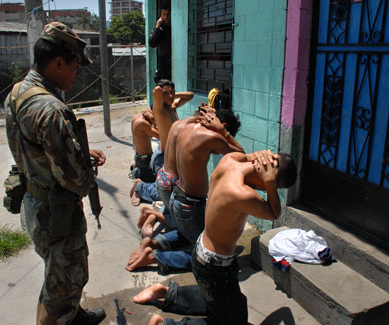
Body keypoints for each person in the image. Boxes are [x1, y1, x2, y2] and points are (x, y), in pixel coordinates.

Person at [5, 22, 106, 324]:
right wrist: (85, 170)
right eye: (75, 66)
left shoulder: (19, 92)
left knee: (60, 275)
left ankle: (73, 317)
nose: (78, 73)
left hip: (36, 204)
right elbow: (74, 179)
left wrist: (77, 149)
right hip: (57, 214)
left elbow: (32, 145)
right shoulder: (51, 109)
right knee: (61, 287)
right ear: (58, 62)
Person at [134, 150, 297, 325]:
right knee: (230, 319)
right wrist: (271, 182)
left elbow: (243, 154)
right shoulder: (243, 194)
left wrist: (257, 156)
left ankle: (168, 294)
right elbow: (274, 213)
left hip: (211, 256)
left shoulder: (231, 160)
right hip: (212, 265)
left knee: (224, 301)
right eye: (272, 186)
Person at [126, 109, 244, 273]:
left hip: (178, 196)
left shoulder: (186, 127)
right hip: (189, 203)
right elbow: (242, 156)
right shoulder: (212, 137)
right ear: (221, 125)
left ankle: (155, 243)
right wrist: (223, 132)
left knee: (186, 231)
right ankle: (155, 257)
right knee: (207, 255)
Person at [130, 80, 193, 206]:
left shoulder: (173, 107)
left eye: (172, 93)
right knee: (165, 196)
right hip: (163, 158)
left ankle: (143, 182)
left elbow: (190, 95)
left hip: (172, 156)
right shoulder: (160, 111)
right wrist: (162, 92)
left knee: (172, 190)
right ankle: (140, 188)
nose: (170, 96)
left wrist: (171, 94)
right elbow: (156, 92)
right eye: (166, 94)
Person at [130, 107, 159, 182]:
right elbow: (161, 136)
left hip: (139, 155)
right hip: (145, 159)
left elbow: (149, 135)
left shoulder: (136, 117)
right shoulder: (142, 123)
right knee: (149, 183)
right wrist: (153, 120)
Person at [149, 4, 171, 82]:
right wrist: (157, 27)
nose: (166, 17)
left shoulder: (174, 27)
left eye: (168, 14)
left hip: (174, 61)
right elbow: (152, 43)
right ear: (161, 16)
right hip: (163, 63)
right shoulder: (160, 29)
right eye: (164, 15)